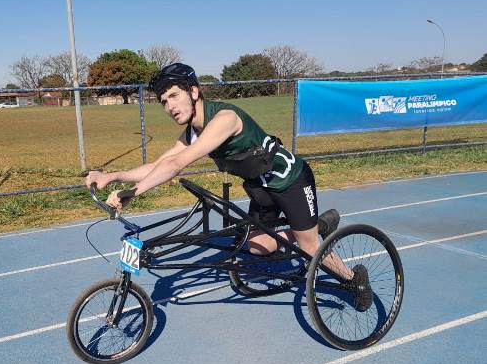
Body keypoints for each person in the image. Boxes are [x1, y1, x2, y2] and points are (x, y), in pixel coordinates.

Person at [85, 63, 371, 309]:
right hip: (261, 189)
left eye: (174, 95)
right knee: (258, 248)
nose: (169, 106)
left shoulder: (224, 119)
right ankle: (315, 225)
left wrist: (134, 194)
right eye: (163, 101)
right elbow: (162, 163)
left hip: (291, 180)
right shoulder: (193, 131)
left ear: (194, 92)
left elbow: (176, 166)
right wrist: (113, 176)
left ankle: (353, 278)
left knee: (310, 248)